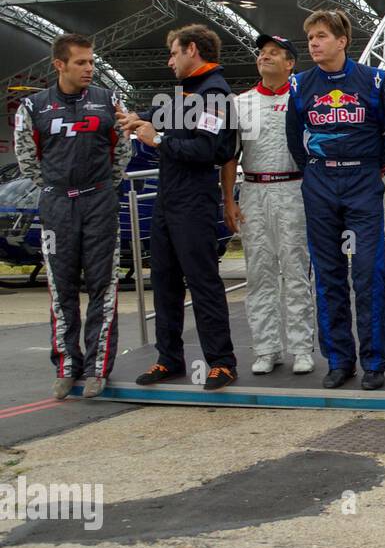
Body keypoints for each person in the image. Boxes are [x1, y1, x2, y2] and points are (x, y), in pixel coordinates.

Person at [118, 24, 239, 390]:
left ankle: (221, 361)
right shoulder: (185, 93)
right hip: (168, 200)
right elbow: (163, 118)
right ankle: (168, 358)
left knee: (202, 281)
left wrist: (158, 140)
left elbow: (207, 151)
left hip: (194, 200)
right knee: (165, 281)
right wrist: (138, 120)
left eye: (173, 53)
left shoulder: (214, 93)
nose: (169, 61)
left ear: (191, 50)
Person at [286, 9, 385, 390]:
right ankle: (338, 360)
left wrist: (371, 169)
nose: (314, 43)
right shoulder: (299, 84)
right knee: (327, 274)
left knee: (368, 272)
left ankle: (373, 362)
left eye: (321, 36)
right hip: (319, 180)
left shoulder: (376, 79)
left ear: (342, 40)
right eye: (310, 38)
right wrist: (317, 169)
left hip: (362, 180)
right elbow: (294, 139)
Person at [13, 33, 131, 399]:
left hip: (99, 202)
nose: (89, 69)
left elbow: (122, 151)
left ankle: (97, 368)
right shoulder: (33, 107)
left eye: (92, 62)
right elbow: (27, 159)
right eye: (81, 62)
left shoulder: (108, 100)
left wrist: (100, 188)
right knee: (61, 287)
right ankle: (67, 365)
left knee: (103, 286)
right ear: (59, 65)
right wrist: (56, 188)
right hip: (57, 206)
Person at [221, 34, 315, 376]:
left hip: (293, 188)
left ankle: (302, 348)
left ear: (290, 63)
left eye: (274, 53)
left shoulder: (302, 98)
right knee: (259, 274)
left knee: (295, 272)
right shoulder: (240, 102)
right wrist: (229, 199)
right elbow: (230, 156)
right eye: (262, 53)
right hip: (254, 190)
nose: (265, 57)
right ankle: (266, 348)